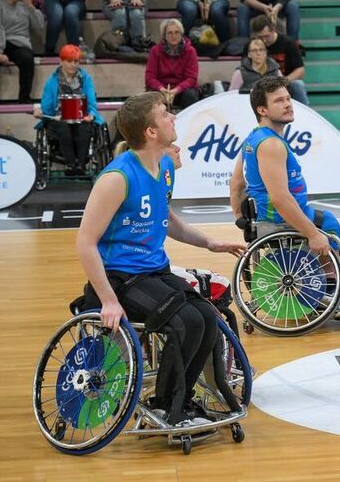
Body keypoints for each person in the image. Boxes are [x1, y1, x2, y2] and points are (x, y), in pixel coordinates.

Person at [76, 90, 245, 425]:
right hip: (118, 278)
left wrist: (208, 242)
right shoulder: (116, 178)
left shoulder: (165, 166)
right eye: (165, 114)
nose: (173, 117)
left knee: (208, 316)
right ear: (151, 132)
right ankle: (165, 404)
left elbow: (164, 218)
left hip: (155, 271)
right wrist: (108, 301)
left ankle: (181, 398)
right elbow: (84, 242)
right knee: (187, 322)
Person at [229, 75, 340, 311]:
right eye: (279, 101)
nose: (288, 104)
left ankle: (331, 289)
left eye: (288, 98)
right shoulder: (271, 145)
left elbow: (235, 182)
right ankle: (332, 294)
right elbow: (280, 198)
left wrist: (240, 217)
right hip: (277, 216)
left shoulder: (253, 138)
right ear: (262, 109)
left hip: (266, 216)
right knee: (327, 224)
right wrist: (312, 234)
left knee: (325, 220)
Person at [36, 44, 102, 176]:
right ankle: (71, 164)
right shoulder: (52, 81)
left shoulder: (86, 79)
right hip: (58, 119)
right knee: (63, 127)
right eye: (69, 61)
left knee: (84, 127)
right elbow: (47, 107)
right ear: (61, 61)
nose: (73, 64)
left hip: (81, 118)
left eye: (76, 61)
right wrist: (41, 111)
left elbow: (92, 103)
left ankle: (81, 165)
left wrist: (91, 115)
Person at [0, 0, 44, 102]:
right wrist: (0, 52)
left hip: (20, 44)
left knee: (27, 59)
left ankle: (24, 98)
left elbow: (39, 25)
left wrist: (30, 6)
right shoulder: (0, 5)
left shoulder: (24, 5)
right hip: (3, 41)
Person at [250, 15, 309, 106]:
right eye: (260, 37)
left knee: (298, 85)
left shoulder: (288, 43)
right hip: (258, 82)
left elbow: (300, 70)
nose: (264, 41)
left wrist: (283, 81)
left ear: (273, 30)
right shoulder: (252, 45)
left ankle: (304, 116)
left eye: (266, 36)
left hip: (283, 82)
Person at [145, 19, 200, 110]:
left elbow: (191, 78)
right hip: (161, 89)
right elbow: (150, 77)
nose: (173, 36)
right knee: (151, 97)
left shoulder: (190, 51)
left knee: (191, 95)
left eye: (177, 32)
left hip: (181, 90)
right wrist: (162, 89)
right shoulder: (155, 51)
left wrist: (176, 90)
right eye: (170, 33)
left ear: (181, 34)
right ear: (164, 36)